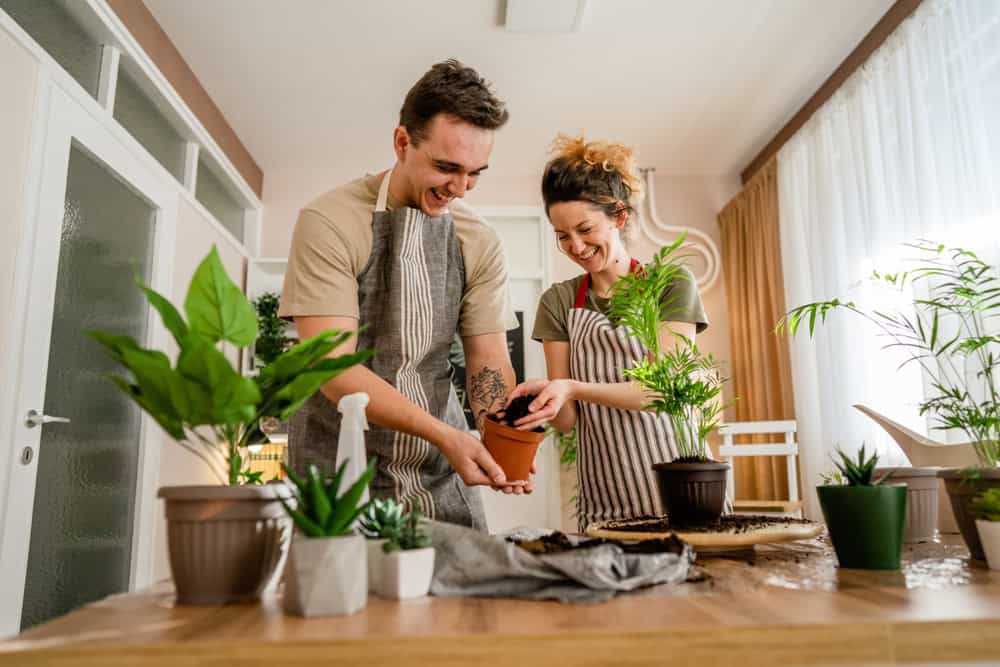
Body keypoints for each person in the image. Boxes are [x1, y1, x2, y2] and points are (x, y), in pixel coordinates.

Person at [279, 60, 526, 531]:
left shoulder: (479, 240)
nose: (460, 188)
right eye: (446, 167)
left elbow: (488, 360)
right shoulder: (330, 221)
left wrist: (504, 436)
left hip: (438, 472)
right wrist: (447, 436)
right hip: (338, 470)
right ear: (402, 142)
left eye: (475, 173)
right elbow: (333, 371)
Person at [506, 135, 709, 531]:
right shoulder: (559, 301)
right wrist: (543, 400)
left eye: (585, 229)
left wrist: (573, 387)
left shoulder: (670, 284)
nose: (576, 246)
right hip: (606, 504)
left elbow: (663, 391)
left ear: (617, 216)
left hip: (684, 491)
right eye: (562, 235)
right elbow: (566, 420)